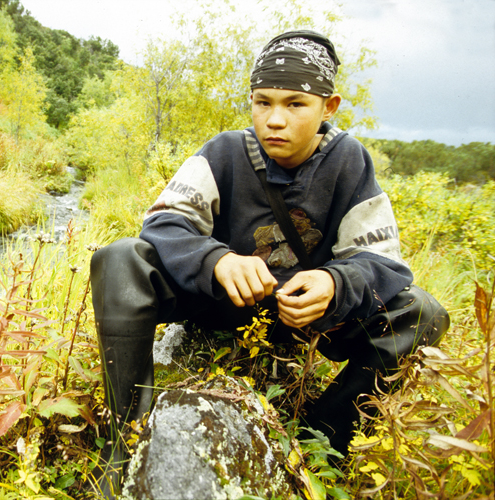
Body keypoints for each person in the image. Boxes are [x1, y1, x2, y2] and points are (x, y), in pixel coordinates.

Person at [89, 30, 449, 497]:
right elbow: (164, 223)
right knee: (119, 258)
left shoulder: (349, 163)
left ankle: (324, 438)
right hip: (219, 306)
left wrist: (335, 282)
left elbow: (381, 261)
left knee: (423, 313)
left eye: (295, 104)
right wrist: (215, 260)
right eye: (262, 102)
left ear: (329, 106)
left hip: (303, 320)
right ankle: (127, 438)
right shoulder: (223, 151)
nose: (274, 119)